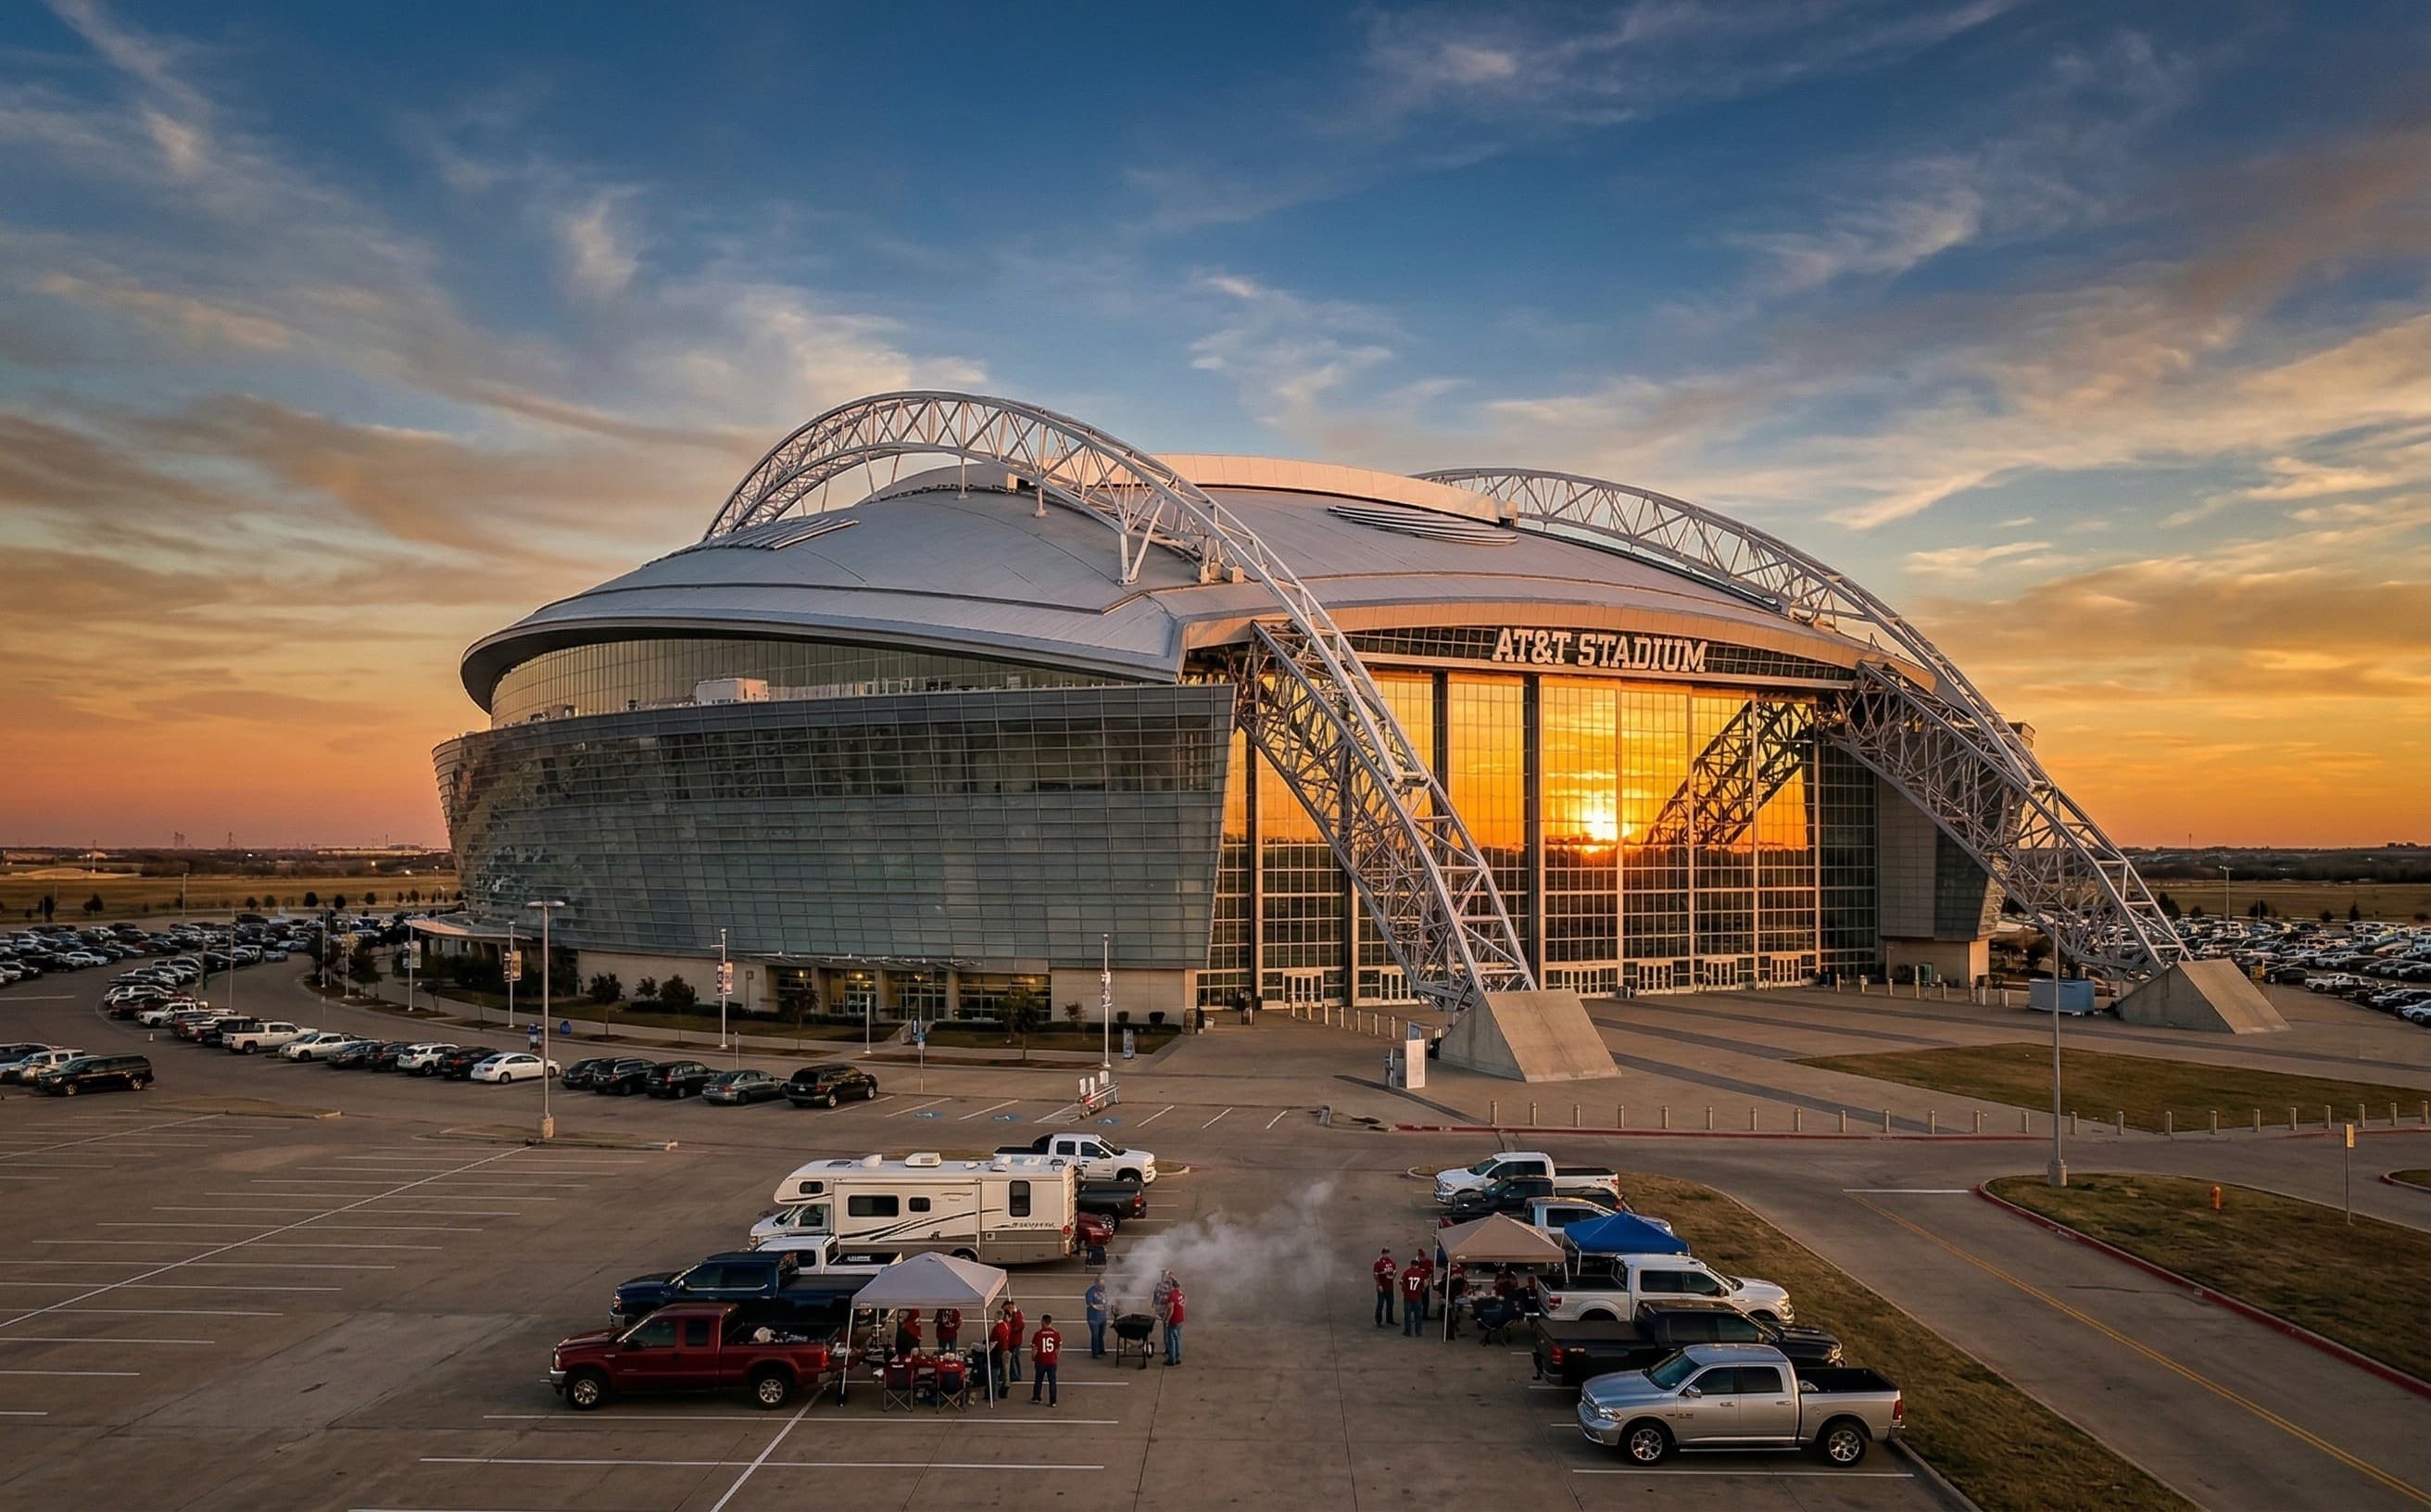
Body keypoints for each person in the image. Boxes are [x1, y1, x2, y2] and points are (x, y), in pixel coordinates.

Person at [1030, 1314, 1062, 1405]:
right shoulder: (1056, 1333)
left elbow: (1034, 1348)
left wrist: (1033, 1357)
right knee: (1052, 1381)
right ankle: (1053, 1401)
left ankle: (1036, 1397)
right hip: (1051, 1361)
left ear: (1043, 1322)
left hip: (1040, 1360)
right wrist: (1055, 1357)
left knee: (1038, 1380)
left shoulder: (1038, 1334)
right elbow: (1058, 1347)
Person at [988, 1309, 1014, 1397]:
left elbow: (993, 1342)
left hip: (1001, 1352)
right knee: (1006, 1371)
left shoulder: (996, 1328)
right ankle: (1004, 1389)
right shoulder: (1007, 1325)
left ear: (997, 1317)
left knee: (998, 1372)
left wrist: (987, 1352)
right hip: (1007, 1350)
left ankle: (1001, 1390)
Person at [1000, 1299, 1026, 1383]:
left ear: (1010, 1306)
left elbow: (1019, 1326)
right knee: (1013, 1358)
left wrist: (1011, 1327)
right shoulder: (1014, 1314)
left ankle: (1016, 1375)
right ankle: (1014, 1374)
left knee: (1014, 1358)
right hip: (1013, 1340)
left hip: (1015, 1341)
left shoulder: (1017, 1315)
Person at [1160, 1279, 1185, 1366]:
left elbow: (1171, 1310)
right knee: (1177, 1338)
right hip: (1180, 1319)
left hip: (1173, 1321)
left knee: (1171, 1340)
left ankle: (1172, 1359)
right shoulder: (1181, 1293)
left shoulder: (1172, 1296)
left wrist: (1166, 1320)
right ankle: (1177, 1357)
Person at [1371, 1247, 1398, 1329]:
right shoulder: (1378, 1263)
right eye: (1385, 1253)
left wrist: (1393, 1276)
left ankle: (1389, 1319)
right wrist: (1379, 1285)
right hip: (1382, 1287)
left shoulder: (1392, 1262)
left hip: (1389, 1287)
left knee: (1391, 1303)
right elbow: (1376, 1275)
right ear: (1382, 1253)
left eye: (1388, 1253)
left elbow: (1394, 1272)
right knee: (1380, 1304)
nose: (1386, 1254)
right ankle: (1378, 1321)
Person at [1406, 1247, 1433, 1327]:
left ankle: (1425, 1315)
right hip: (1418, 1284)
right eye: (1420, 1257)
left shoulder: (1429, 1263)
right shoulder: (1417, 1263)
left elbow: (1430, 1274)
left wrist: (1427, 1283)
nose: (1421, 1258)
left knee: (1426, 1300)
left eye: (1422, 1257)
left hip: (1425, 1282)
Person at [1084, 1277, 1110, 1358]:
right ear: (1096, 1284)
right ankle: (1095, 1353)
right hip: (1093, 1318)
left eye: (1103, 1285)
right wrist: (1098, 1307)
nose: (1102, 1287)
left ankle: (1101, 1349)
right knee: (1095, 1336)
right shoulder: (1090, 1291)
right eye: (1100, 1285)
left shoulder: (1104, 1290)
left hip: (1102, 1317)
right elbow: (1089, 1304)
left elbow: (1107, 1301)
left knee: (1101, 1335)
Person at [1400, 1261, 1427, 1337]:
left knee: (1407, 1315)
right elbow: (1425, 1283)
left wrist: (1405, 1290)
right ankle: (1418, 1331)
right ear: (1418, 1265)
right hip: (1417, 1296)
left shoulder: (1407, 1272)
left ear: (1411, 1265)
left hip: (1408, 1296)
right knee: (1418, 1316)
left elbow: (1402, 1283)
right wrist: (1422, 1288)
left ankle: (1407, 1331)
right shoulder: (1422, 1273)